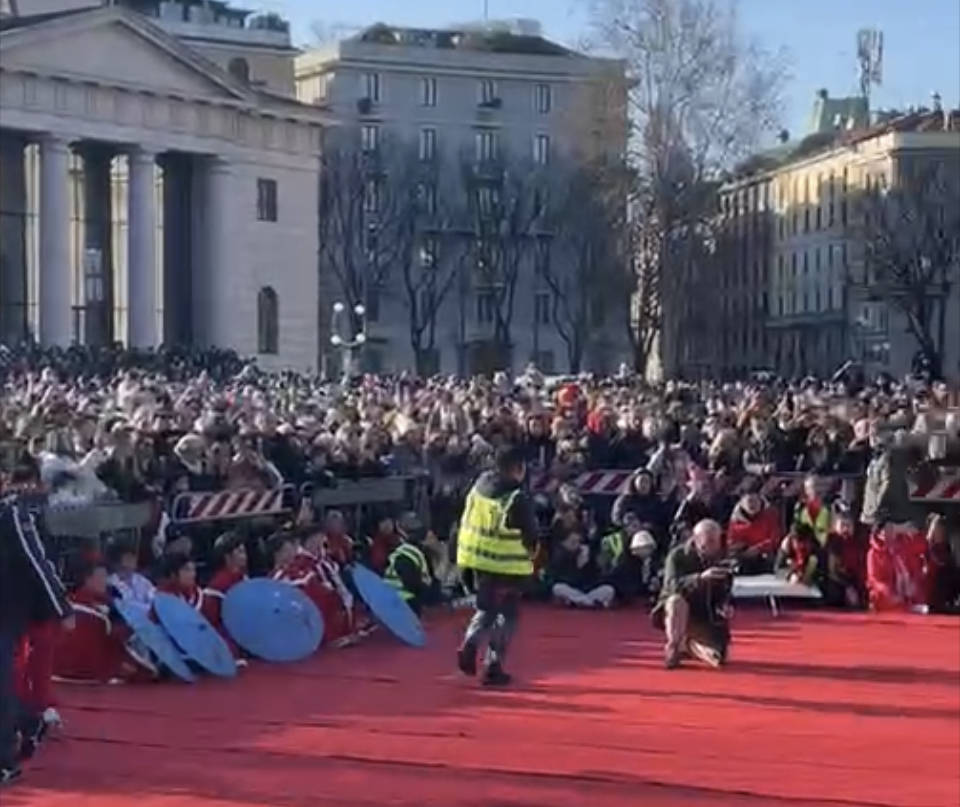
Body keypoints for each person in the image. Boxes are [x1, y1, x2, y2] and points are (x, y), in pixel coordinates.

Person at [1, 476, 73, 786]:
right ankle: (30, 722)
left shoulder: (12, 514)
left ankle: (5, 762)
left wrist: (61, 606)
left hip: (7, 608)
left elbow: (37, 560)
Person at [456, 445, 538, 687]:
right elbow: (530, 535)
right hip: (508, 566)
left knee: (486, 609)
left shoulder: (479, 486)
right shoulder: (516, 497)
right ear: (518, 469)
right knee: (508, 615)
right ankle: (494, 665)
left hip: (476, 561)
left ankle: (471, 641)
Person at [53, 558, 156, 684]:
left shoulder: (66, 606)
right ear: (87, 579)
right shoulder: (93, 615)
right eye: (102, 576)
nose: (106, 581)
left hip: (56, 673)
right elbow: (115, 643)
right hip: (88, 675)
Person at [653, 519, 733, 670]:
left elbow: (726, 590)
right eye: (709, 541)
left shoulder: (723, 556)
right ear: (696, 540)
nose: (714, 545)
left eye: (716, 540)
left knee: (717, 658)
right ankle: (674, 646)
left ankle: (689, 645)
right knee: (676, 601)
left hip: (706, 614)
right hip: (680, 610)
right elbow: (671, 585)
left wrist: (726, 605)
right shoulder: (677, 556)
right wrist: (699, 578)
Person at [201, 532, 248, 657]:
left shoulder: (244, 578)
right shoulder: (218, 585)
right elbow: (211, 620)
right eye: (240, 552)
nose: (244, 556)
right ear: (227, 556)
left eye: (244, 551)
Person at [547, 531, 616, 608]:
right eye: (573, 542)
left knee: (609, 589)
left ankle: (581, 602)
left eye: (578, 542)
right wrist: (577, 567)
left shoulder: (589, 556)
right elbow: (562, 579)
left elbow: (597, 579)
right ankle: (588, 603)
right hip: (573, 590)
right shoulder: (563, 557)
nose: (577, 545)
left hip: (590, 591)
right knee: (557, 588)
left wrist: (587, 564)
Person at [383, 531, 436, 617]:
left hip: (389, 597)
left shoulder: (401, 552)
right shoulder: (409, 556)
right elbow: (411, 582)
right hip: (404, 600)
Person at [107, 539, 156, 618]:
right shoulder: (110, 584)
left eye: (133, 558)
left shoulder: (141, 580)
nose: (132, 561)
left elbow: (154, 597)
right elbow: (126, 606)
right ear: (118, 561)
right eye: (128, 558)